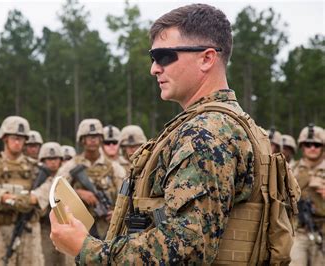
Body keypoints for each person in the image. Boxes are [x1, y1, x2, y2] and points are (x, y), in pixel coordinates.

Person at [49, 4, 297, 265]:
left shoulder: (205, 134)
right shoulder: (229, 125)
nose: (154, 68)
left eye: (164, 56)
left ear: (206, 58)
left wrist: (86, 249)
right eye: (152, 58)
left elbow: (185, 248)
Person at [0, 116, 51, 266]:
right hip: (1, 230)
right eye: (14, 138)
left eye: (22, 139)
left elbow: (51, 184)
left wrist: (34, 198)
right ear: (5, 138)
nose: (18, 142)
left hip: (30, 231)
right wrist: (9, 198)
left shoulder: (35, 167)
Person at [55, 118, 126, 240]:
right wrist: (78, 193)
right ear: (82, 140)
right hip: (78, 229)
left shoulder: (114, 168)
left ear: (101, 139)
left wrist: (117, 213)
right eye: (89, 137)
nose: (93, 140)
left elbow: (127, 197)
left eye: (96, 136)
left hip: (109, 229)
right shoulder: (71, 166)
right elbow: (55, 193)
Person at [290, 124, 324, 266]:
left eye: (317, 144)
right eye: (308, 144)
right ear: (302, 146)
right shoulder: (292, 169)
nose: (312, 148)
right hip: (299, 230)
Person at [37, 142, 66, 266]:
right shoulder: (37, 178)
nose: (53, 162)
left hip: (65, 226)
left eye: (55, 158)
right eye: (49, 159)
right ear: (43, 161)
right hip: (45, 227)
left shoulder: (67, 176)